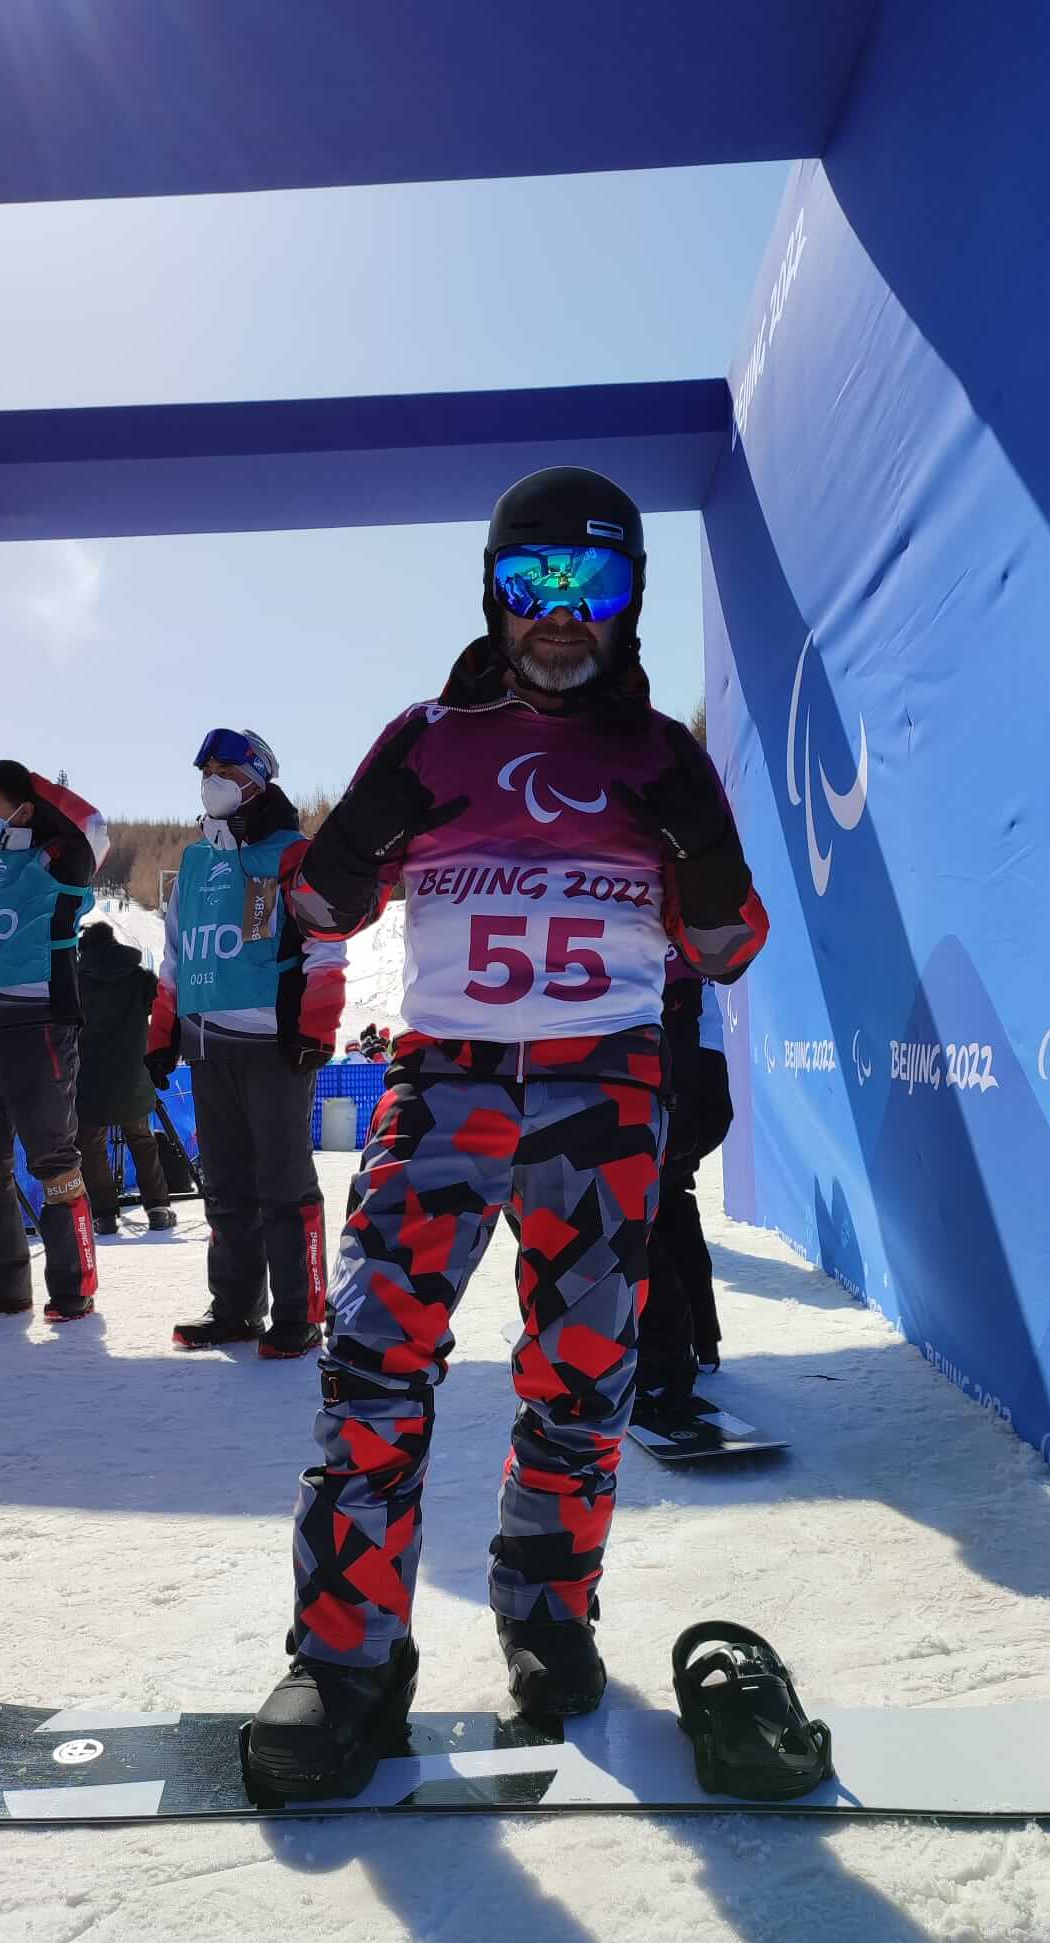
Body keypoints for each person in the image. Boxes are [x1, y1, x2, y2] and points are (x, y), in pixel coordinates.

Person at [243, 466, 769, 1802]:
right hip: (445, 1088)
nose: (559, 614)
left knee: (582, 1381)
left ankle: (546, 1612)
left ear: (629, 601)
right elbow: (314, 909)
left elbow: (727, 945)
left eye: (589, 586)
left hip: (604, 1096)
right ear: (494, 589)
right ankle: (347, 1661)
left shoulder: (663, 758)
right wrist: (347, 849)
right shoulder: (426, 738)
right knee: (372, 1366)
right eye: (533, 583)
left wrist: (698, 846)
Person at [147, 730, 345, 1355]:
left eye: (225, 768)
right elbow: (175, 955)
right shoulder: (196, 860)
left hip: (273, 1043)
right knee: (227, 1186)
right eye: (206, 769)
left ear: (257, 777)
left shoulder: (295, 854)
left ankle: (300, 1312)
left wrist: (317, 1026)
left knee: (283, 1182)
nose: (212, 779)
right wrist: (162, 1031)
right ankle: (234, 1308)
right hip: (208, 1044)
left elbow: (326, 947)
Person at [0, 760, 106, 1324]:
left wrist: (34, 785)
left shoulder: (57, 858)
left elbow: (94, 826)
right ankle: (0, 1283)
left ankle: (73, 1286)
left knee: (52, 1159)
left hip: (40, 1025)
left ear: (26, 807)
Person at [635, 960, 735, 1407]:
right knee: (670, 1203)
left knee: (645, 1210)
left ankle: (665, 1358)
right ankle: (699, 1341)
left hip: (678, 1073)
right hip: (689, 1071)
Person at [74, 921, 176, 1235]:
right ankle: (158, 1208)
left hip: (89, 1075)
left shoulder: (76, 980)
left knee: (91, 1145)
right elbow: (162, 1002)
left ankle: (104, 1215)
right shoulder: (138, 977)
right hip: (134, 1071)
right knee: (142, 1140)